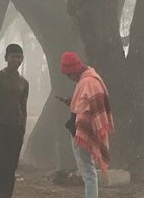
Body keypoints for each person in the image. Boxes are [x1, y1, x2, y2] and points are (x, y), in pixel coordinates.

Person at [60, 52, 114, 198]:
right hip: (79, 129)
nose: (69, 78)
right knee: (87, 172)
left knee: (88, 172)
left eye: (69, 75)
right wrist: (72, 102)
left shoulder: (89, 82)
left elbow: (92, 110)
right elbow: (84, 104)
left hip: (84, 131)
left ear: (74, 70)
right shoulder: (87, 79)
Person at [0, 44, 29, 198]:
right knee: (2, 164)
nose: (16, 60)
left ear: (22, 59)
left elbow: (23, 107)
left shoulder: (24, 83)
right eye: (13, 57)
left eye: (19, 57)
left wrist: (22, 127)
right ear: (6, 58)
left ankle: (7, 194)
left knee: (12, 166)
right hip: (0, 128)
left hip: (16, 130)